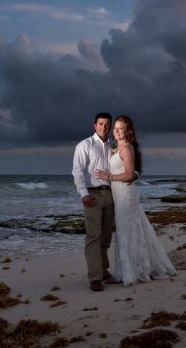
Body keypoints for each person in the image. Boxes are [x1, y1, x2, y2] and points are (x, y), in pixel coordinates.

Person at [94, 115, 176, 285]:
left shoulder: (126, 148)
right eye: (115, 128)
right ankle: (136, 267)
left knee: (126, 231)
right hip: (119, 195)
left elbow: (130, 174)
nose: (116, 131)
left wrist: (108, 176)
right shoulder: (116, 148)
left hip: (125, 194)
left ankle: (130, 273)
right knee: (132, 230)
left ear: (128, 131)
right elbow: (133, 173)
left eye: (121, 128)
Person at [72, 112, 122, 291]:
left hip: (110, 194)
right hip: (92, 195)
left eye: (107, 124)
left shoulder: (112, 146)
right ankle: (95, 278)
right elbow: (77, 171)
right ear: (95, 125)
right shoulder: (84, 145)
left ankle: (104, 271)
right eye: (101, 124)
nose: (104, 127)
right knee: (93, 236)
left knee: (106, 237)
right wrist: (83, 194)